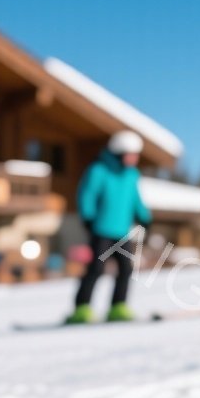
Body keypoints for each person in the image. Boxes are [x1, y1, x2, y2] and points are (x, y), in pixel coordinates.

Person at [68, 130, 151, 324]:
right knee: (96, 269)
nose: (134, 159)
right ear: (119, 153)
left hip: (122, 232)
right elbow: (87, 194)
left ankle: (118, 307)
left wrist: (145, 217)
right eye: (131, 154)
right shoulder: (99, 170)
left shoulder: (132, 175)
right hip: (101, 230)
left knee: (125, 270)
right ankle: (81, 308)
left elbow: (135, 199)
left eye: (136, 155)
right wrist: (88, 217)